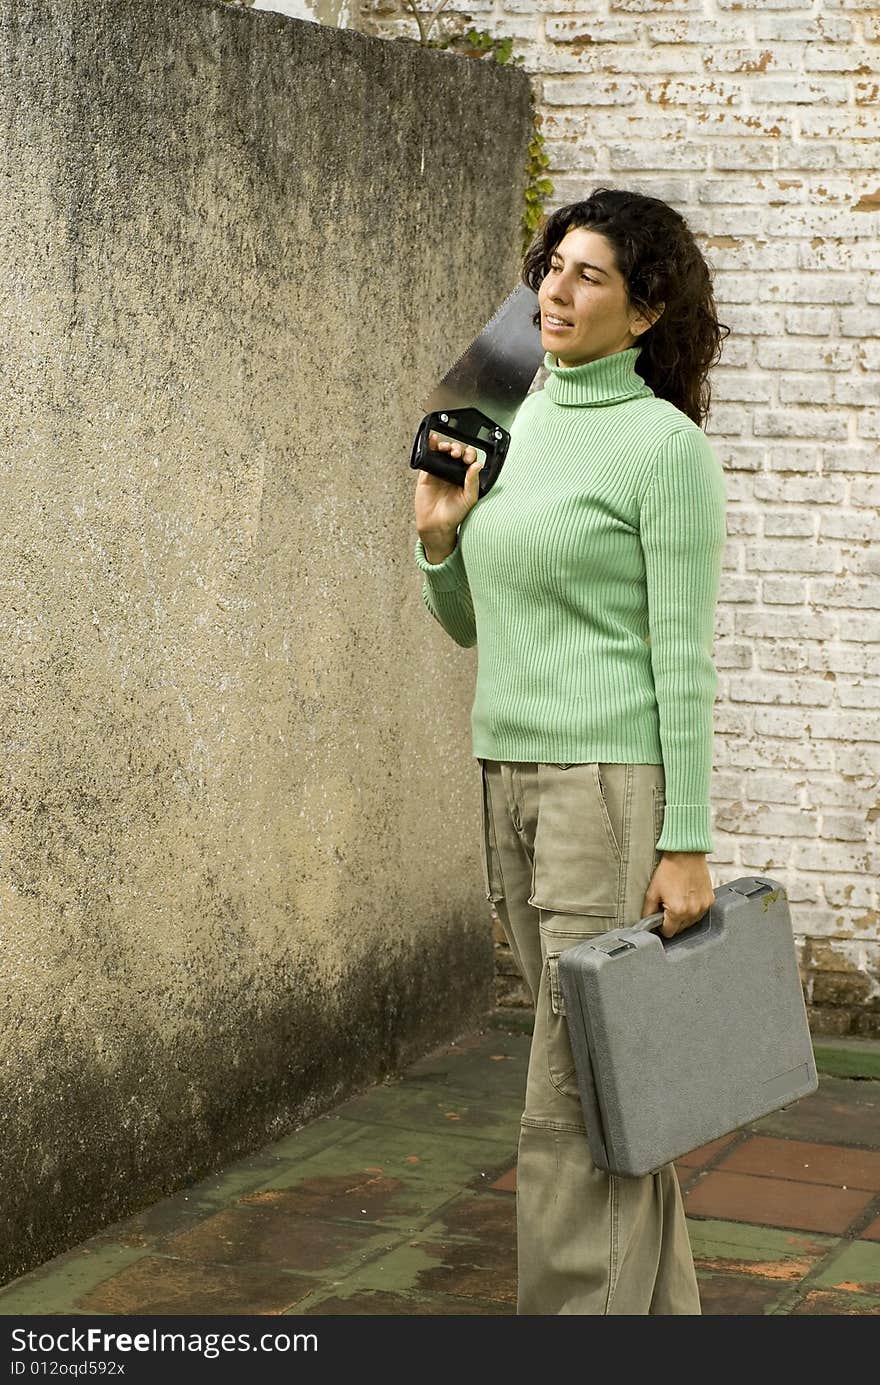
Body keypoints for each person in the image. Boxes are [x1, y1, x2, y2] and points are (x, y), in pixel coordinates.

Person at [413, 188, 727, 1314]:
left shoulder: (664, 449)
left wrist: (684, 838)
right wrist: (440, 542)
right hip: (506, 775)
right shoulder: (508, 418)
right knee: (610, 1084)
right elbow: (472, 625)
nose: (556, 286)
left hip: (604, 789)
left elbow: (680, 658)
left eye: (591, 274)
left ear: (644, 314)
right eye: (553, 263)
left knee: (570, 1096)